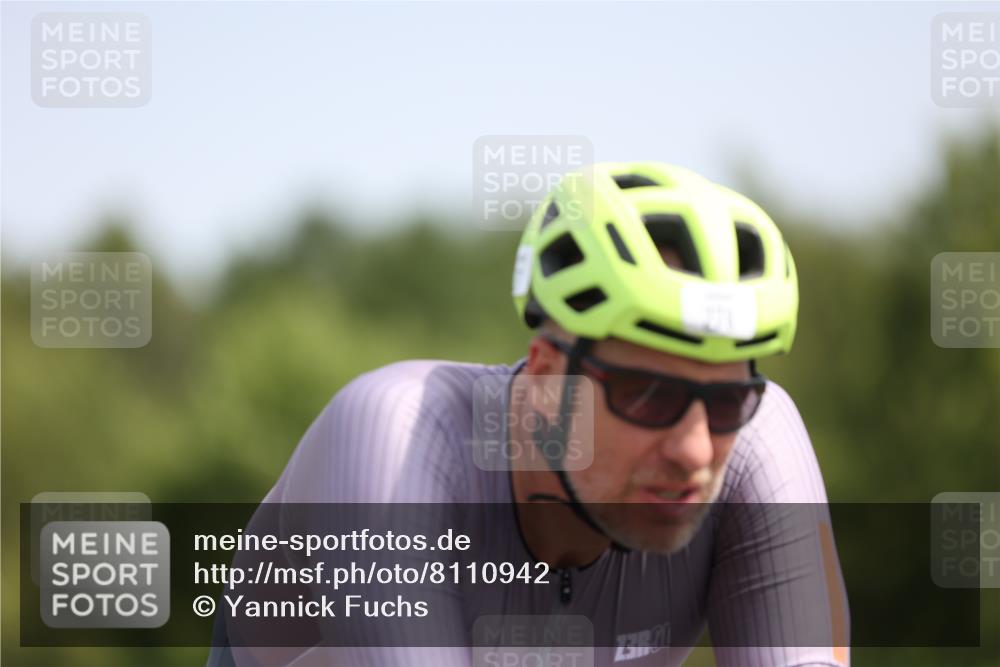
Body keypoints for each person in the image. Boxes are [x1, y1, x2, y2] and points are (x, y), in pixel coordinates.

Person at [208, 162, 850, 666]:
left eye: (726, 402)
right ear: (545, 377)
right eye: (648, 395)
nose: (696, 452)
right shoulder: (394, 432)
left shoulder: (759, 436)